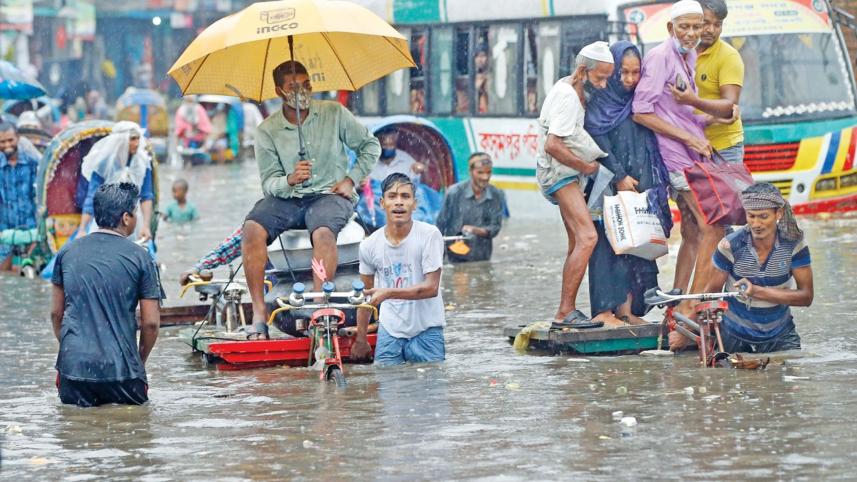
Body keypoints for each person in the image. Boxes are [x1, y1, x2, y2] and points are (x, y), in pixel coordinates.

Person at [242, 60, 380, 339]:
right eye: (293, 87)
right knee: (252, 228)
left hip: (331, 195)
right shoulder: (267, 130)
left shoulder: (335, 114)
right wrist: (289, 179)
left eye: (306, 85)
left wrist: (350, 179)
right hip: (288, 197)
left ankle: (320, 305)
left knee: (323, 230)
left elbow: (370, 146)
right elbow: (269, 183)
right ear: (279, 91)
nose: (302, 92)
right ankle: (258, 312)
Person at [632, 0, 723, 316]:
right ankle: (692, 304)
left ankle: (678, 299)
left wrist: (710, 119)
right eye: (684, 27)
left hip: (692, 151)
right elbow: (641, 112)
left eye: (697, 27)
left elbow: (677, 110)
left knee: (693, 230)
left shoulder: (690, 54)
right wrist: (687, 137)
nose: (691, 33)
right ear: (671, 28)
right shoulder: (659, 57)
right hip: (675, 156)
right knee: (713, 224)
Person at [50, 183, 163, 407]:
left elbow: (56, 314)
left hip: (74, 371)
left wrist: (74, 351)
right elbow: (151, 323)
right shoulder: (141, 258)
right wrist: (138, 361)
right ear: (126, 218)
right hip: (123, 371)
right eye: (136, 213)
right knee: (132, 432)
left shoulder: (67, 252)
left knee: (76, 430)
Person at [583, 41, 671, 326]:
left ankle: (628, 311)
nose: (630, 80)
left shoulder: (639, 101)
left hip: (638, 186)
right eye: (624, 73)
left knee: (635, 245)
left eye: (636, 73)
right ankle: (604, 312)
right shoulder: (600, 102)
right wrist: (619, 175)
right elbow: (599, 141)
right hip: (606, 185)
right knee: (607, 248)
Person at [536, 41, 615, 328]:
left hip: (563, 173)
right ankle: (564, 312)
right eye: (600, 78)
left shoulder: (570, 88)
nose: (604, 86)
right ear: (583, 71)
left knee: (575, 242)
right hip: (561, 173)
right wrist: (588, 167)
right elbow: (553, 144)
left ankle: (566, 309)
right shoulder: (569, 96)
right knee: (588, 238)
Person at [695, 183, 813, 353]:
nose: (756, 224)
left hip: (781, 335)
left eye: (763, 216)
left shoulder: (794, 244)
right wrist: (706, 338)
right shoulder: (730, 245)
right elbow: (711, 297)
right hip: (734, 336)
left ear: (778, 213)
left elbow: (806, 297)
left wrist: (755, 291)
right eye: (751, 216)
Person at [352, 173, 445, 365]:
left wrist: (388, 293)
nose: (399, 202)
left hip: (427, 330)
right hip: (390, 332)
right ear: (382, 203)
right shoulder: (369, 245)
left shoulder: (429, 235)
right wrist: (361, 338)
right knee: (387, 388)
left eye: (405, 196)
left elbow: (431, 288)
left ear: (415, 204)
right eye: (392, 196)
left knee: (431, 391)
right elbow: (366, 296)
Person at [672, 0, 744, 163]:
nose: (711, 30)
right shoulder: (677, 52)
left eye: (717, 24)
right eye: (706, 23)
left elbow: (729, 108)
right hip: (686, 144)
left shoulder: (728, 56)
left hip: (723, 148)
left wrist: (693, 101)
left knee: (726, 190)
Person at [75, 121, 155, 242]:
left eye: (138, 138)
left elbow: (146, 196)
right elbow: (92, 197)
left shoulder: (143, 162)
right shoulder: (103, 163)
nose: (137, 143)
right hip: (105, 221)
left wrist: (146, 226)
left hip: (133, 220)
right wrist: (82, 229)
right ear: (121, 140)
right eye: (132, 139)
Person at [435, 152, 506, 263]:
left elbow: (495, 227)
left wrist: (476, 230)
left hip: (482, 259)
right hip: (454, 258)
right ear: (471, 172)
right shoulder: (454, 193)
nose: (485, 177)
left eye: (488, 172)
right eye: (480, 172)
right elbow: (440, 225)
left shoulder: (496, 194)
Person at [0, 122, 39, 271]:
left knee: (31, 273)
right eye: (2, 142)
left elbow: (41, 198)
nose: (7, 145)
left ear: (18, 138)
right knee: (3, 275)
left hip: (30, 229)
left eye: (10, 140)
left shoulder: (32, 162)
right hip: (4, 231)